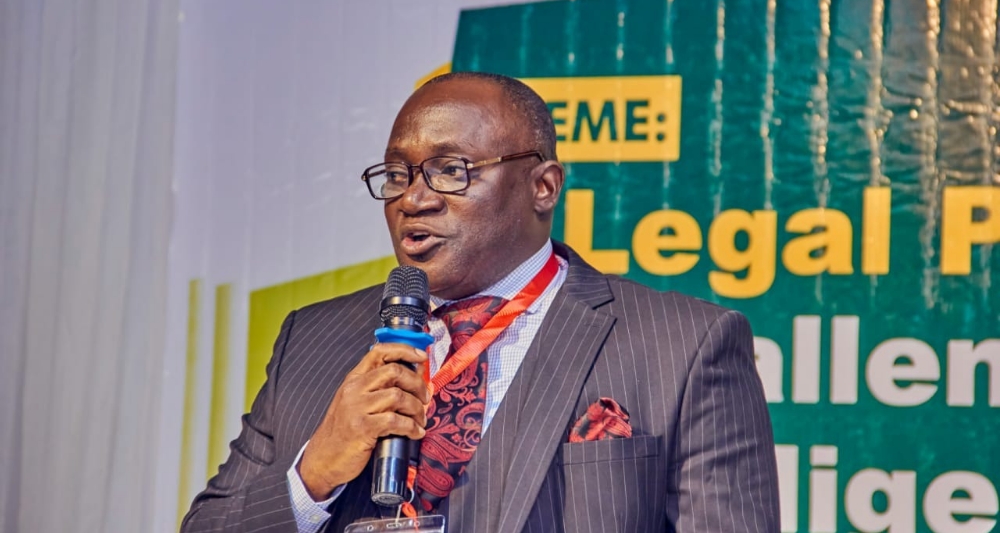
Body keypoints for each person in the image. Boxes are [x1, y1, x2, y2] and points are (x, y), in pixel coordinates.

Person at [181, 72, 780, 532]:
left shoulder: (683, 346)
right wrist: (314, 473)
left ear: (543, 187)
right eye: (397, 175)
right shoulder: (313, 339)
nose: (414, 199)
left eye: (451, 170)